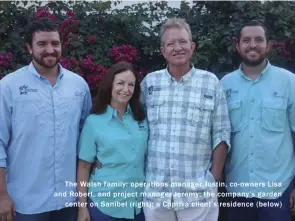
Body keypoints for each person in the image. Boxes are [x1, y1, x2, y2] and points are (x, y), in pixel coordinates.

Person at [0, 18, 92, 221]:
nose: (50, 49)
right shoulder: (9, 87)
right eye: (42, 44)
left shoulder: (78, 86)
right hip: (25, 202)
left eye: (55, 43)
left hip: (68, 199)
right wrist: (1, 195)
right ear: (29, 48)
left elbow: (87, 139)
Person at [140, 17, 231, 221]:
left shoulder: (211, 83)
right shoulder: (149, 84)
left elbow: (221, 133)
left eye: (182, 42)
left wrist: (214, 178)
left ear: (192, 47)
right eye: (170, 44)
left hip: (198, 194)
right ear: (163, 51)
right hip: (157, 194)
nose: (177, 48)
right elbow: (136, 129)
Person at [220, 21, 295, 221]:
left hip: (277, 188)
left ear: (268, 45)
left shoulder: (289, 82)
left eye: (258, 40)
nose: (252, 45)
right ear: (238, 46)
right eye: (246, 40)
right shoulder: (224, 85)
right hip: (238, 188)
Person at [77, 61, 147, 221]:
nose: (126, 89)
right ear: (110, 85)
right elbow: (83, 167)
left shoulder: (142, 119)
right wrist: (82, 208)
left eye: (131, 84)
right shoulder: (93, 122)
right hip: (104, 206)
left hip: (137, 206)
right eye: (120, 83)